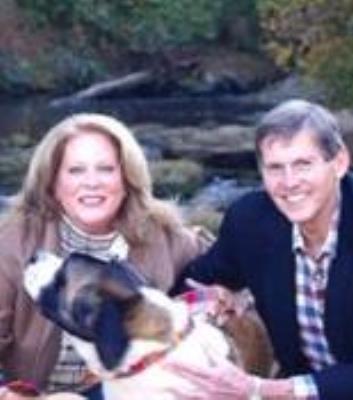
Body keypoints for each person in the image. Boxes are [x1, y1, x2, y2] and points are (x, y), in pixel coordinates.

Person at [169, 99, 353, 400]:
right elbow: (187, 288)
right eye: (275, 168)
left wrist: (260, 389)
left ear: (339, 162)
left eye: (303, 164)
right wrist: (212, 296)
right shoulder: (252, 220)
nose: (289, 182)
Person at [0, 113, 209, 398]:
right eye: (76, 170)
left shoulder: (169, 239)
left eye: (106, 169)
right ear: (52, 182)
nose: (92, 182)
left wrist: (227, 296)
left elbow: (233, 282)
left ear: (127, 178)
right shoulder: (12, 243)